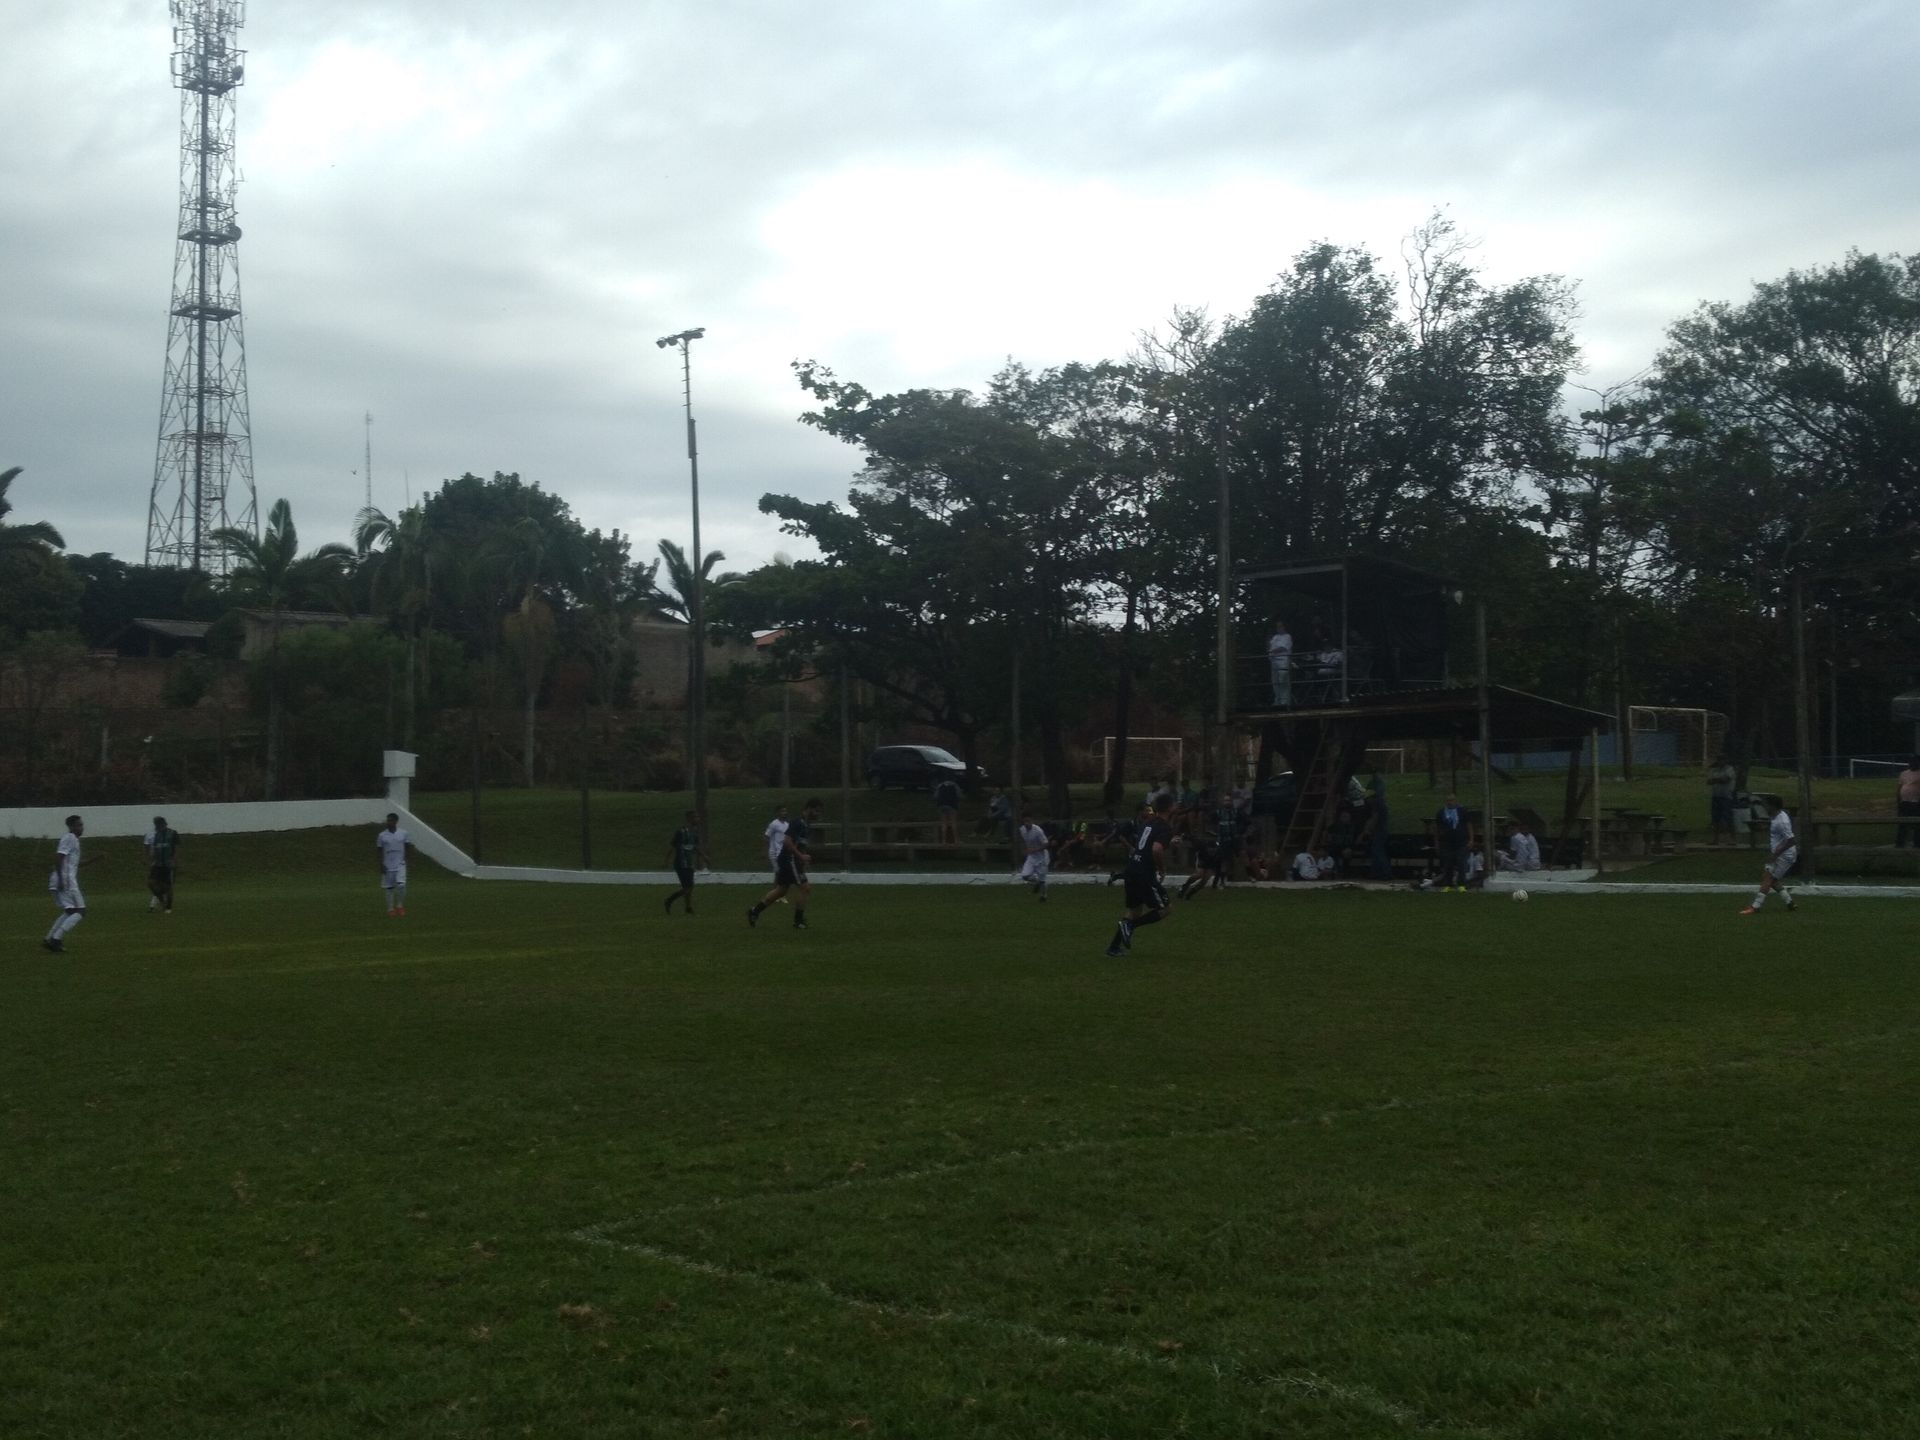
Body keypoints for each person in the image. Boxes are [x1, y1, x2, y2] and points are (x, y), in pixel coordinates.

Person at [1105, 803, 1170, 956]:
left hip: (1132, 868)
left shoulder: (1146, 824)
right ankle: (1129, 926)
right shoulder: (1163, 826)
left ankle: (1113, 948)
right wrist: (1162, 869)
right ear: (1170, 808)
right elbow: (1156, 849)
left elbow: (1146, 843)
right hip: (1144, 873)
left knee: (1134, 911)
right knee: (1165, 909)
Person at [747, 802, 811, 929]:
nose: (784, 813)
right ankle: (798, 921)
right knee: (804, 888)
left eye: (785, 811)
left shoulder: (795, 824)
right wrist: (764, 851)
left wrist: (802, 859)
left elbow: (798, 843)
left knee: (781, 890)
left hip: (787, 857)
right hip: (786, 857)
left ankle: (754, 911)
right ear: (808, 809)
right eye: (817, 811)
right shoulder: (791, 823)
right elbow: (783, 841)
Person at [43, 814, 92, 953]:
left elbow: (75, 864)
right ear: (71, 827)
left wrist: (96, 859)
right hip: (66, 880)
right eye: (79, 825)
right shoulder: (69, 838)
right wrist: (60, 879)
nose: (81, 827)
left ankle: (49, 938)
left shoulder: (74, 840)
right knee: (80, 911)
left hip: (64, 879)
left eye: (81, 825)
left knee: (69, 911)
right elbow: (59, 857)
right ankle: (56, 939)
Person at [1742, 797, 1799, 915]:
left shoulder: (1782, 821)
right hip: (1781, 853)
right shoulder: (1778, 816)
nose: (1765, 807)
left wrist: (1775, 855)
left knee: (1768, 878)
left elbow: (1791, 841)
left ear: (1773, 806)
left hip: (1784, 855)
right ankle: (1790, 903)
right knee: (1772, 880)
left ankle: (1755, 906)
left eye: (1767, 805)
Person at [663, 809, 707, 915]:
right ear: (689, 819)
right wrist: (666, 860)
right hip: (681, 863)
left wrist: (704, 856)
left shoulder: (695, 833)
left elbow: (695, 847)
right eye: (695, 817)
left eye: (698, 817)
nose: (697, 819)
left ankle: (688, 907)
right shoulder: (681, 832)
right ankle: (669, 900)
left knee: (689, 887)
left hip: (689, 863)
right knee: (687, 888)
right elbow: (672, 847)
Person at [1433, 793, 1471, 892]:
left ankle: (1462, 884)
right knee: (1447, 864)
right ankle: (1448, 884)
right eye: (1448, 800)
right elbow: (1437, 828)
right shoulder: (1441, 813)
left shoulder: (1462, 811)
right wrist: (1437, 842)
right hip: (1446, 842)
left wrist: (1471, 839)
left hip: (1461, 841)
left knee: (1461, 863)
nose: (1450, 802)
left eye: (1452, 800)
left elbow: (1468, 825)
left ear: (1456, 801)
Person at [376, 812, 412, 916]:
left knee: (401, 885)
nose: (388, 822)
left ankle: (400, 906)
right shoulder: (382, 835)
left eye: (390, 820)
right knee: (389, 887)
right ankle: (390, 909)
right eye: (388, 820)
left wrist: (406, 860)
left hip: (400, 864)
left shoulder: (403, 833)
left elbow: (407, 847)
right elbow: (379, 850)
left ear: (396, 821)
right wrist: (381, 864)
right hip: (388, 865)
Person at [144, 814, 180, 913]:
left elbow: (177, 849)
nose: (156, 826)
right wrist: (151, 860)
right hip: (157, 864)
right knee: (151, 883)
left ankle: (168, 907)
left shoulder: (173, 833)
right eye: (155, 825)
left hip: (168, 864)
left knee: (168, 886)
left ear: (163, 824)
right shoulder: (157, 835)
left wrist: (174, 861)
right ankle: (161, 900)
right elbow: (155, 849)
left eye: (158, 824)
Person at [1015, 810, 1051, 901]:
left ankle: (1044, 896)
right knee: (1025, 876)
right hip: (1031, 857)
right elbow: (1022, 841)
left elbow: (1046, 844)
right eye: (1025, 821)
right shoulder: (1022, 830)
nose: (1026, 823)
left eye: (1028, 821)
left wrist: (1034, 850)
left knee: (1042, 880)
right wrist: (1024, 850)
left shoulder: (1038, 831)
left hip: (1042, 857)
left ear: (1032, 820)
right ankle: (1036, 882)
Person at [1707, 757, 1737, 845]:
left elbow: (1726, 780)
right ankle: (1715, 839)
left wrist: (1715, 780)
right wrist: (1718, 780)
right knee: (1715, 818)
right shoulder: (1714, 770)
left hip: (1726, 797)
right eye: (1719, 760)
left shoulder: (1729, 769)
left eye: (1722, 760)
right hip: (1716, 796)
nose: (1720, 762)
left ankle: (1732, 839)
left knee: (1728, 818)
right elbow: (1709, 781)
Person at [1267, 619, 1293, 707]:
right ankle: (1277, 700)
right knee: (1275, 682)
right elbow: (1270, 647)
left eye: (1280, 626)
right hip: (1274, 661)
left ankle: (1285, 702)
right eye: (1277, 627)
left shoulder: (1287, 636)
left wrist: (1273, 651)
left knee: (1283, 681)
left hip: (1283, 661)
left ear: (1284, 627)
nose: (1278, 628)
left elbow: (1283, 648)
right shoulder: (1275, 637)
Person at [1897, 757, 1920, 848]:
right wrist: (1898, 800)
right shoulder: (1904, 773)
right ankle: (1900, 843)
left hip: (1916, 802)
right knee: (1902, 823)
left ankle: (1917, 843)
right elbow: (1899, 787)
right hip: (1904, 802)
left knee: (1916, 824)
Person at [933, 775, 962, 845]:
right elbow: (959, 795)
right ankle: (956, 840)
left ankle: (944, 841)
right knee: (953, 822)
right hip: (952, 805)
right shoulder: (955, 785)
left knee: (944, 823)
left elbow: (935, 796)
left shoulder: (940, 785)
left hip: (941, 805)